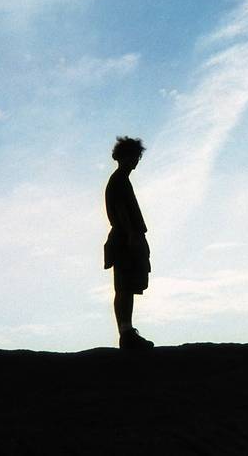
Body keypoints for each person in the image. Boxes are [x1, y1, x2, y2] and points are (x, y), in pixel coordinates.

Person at [103, 136, 154, 350]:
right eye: (133, 155)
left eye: (137, 155)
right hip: (125, 238)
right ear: (123, 156)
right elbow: (122, 210)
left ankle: (126, 331)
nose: (136, 159)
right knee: (124, 286)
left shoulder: (121, 179)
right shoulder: (119, 180)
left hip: (126, 236)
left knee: (127, 287)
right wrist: (132, 234)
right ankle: (126, 332)